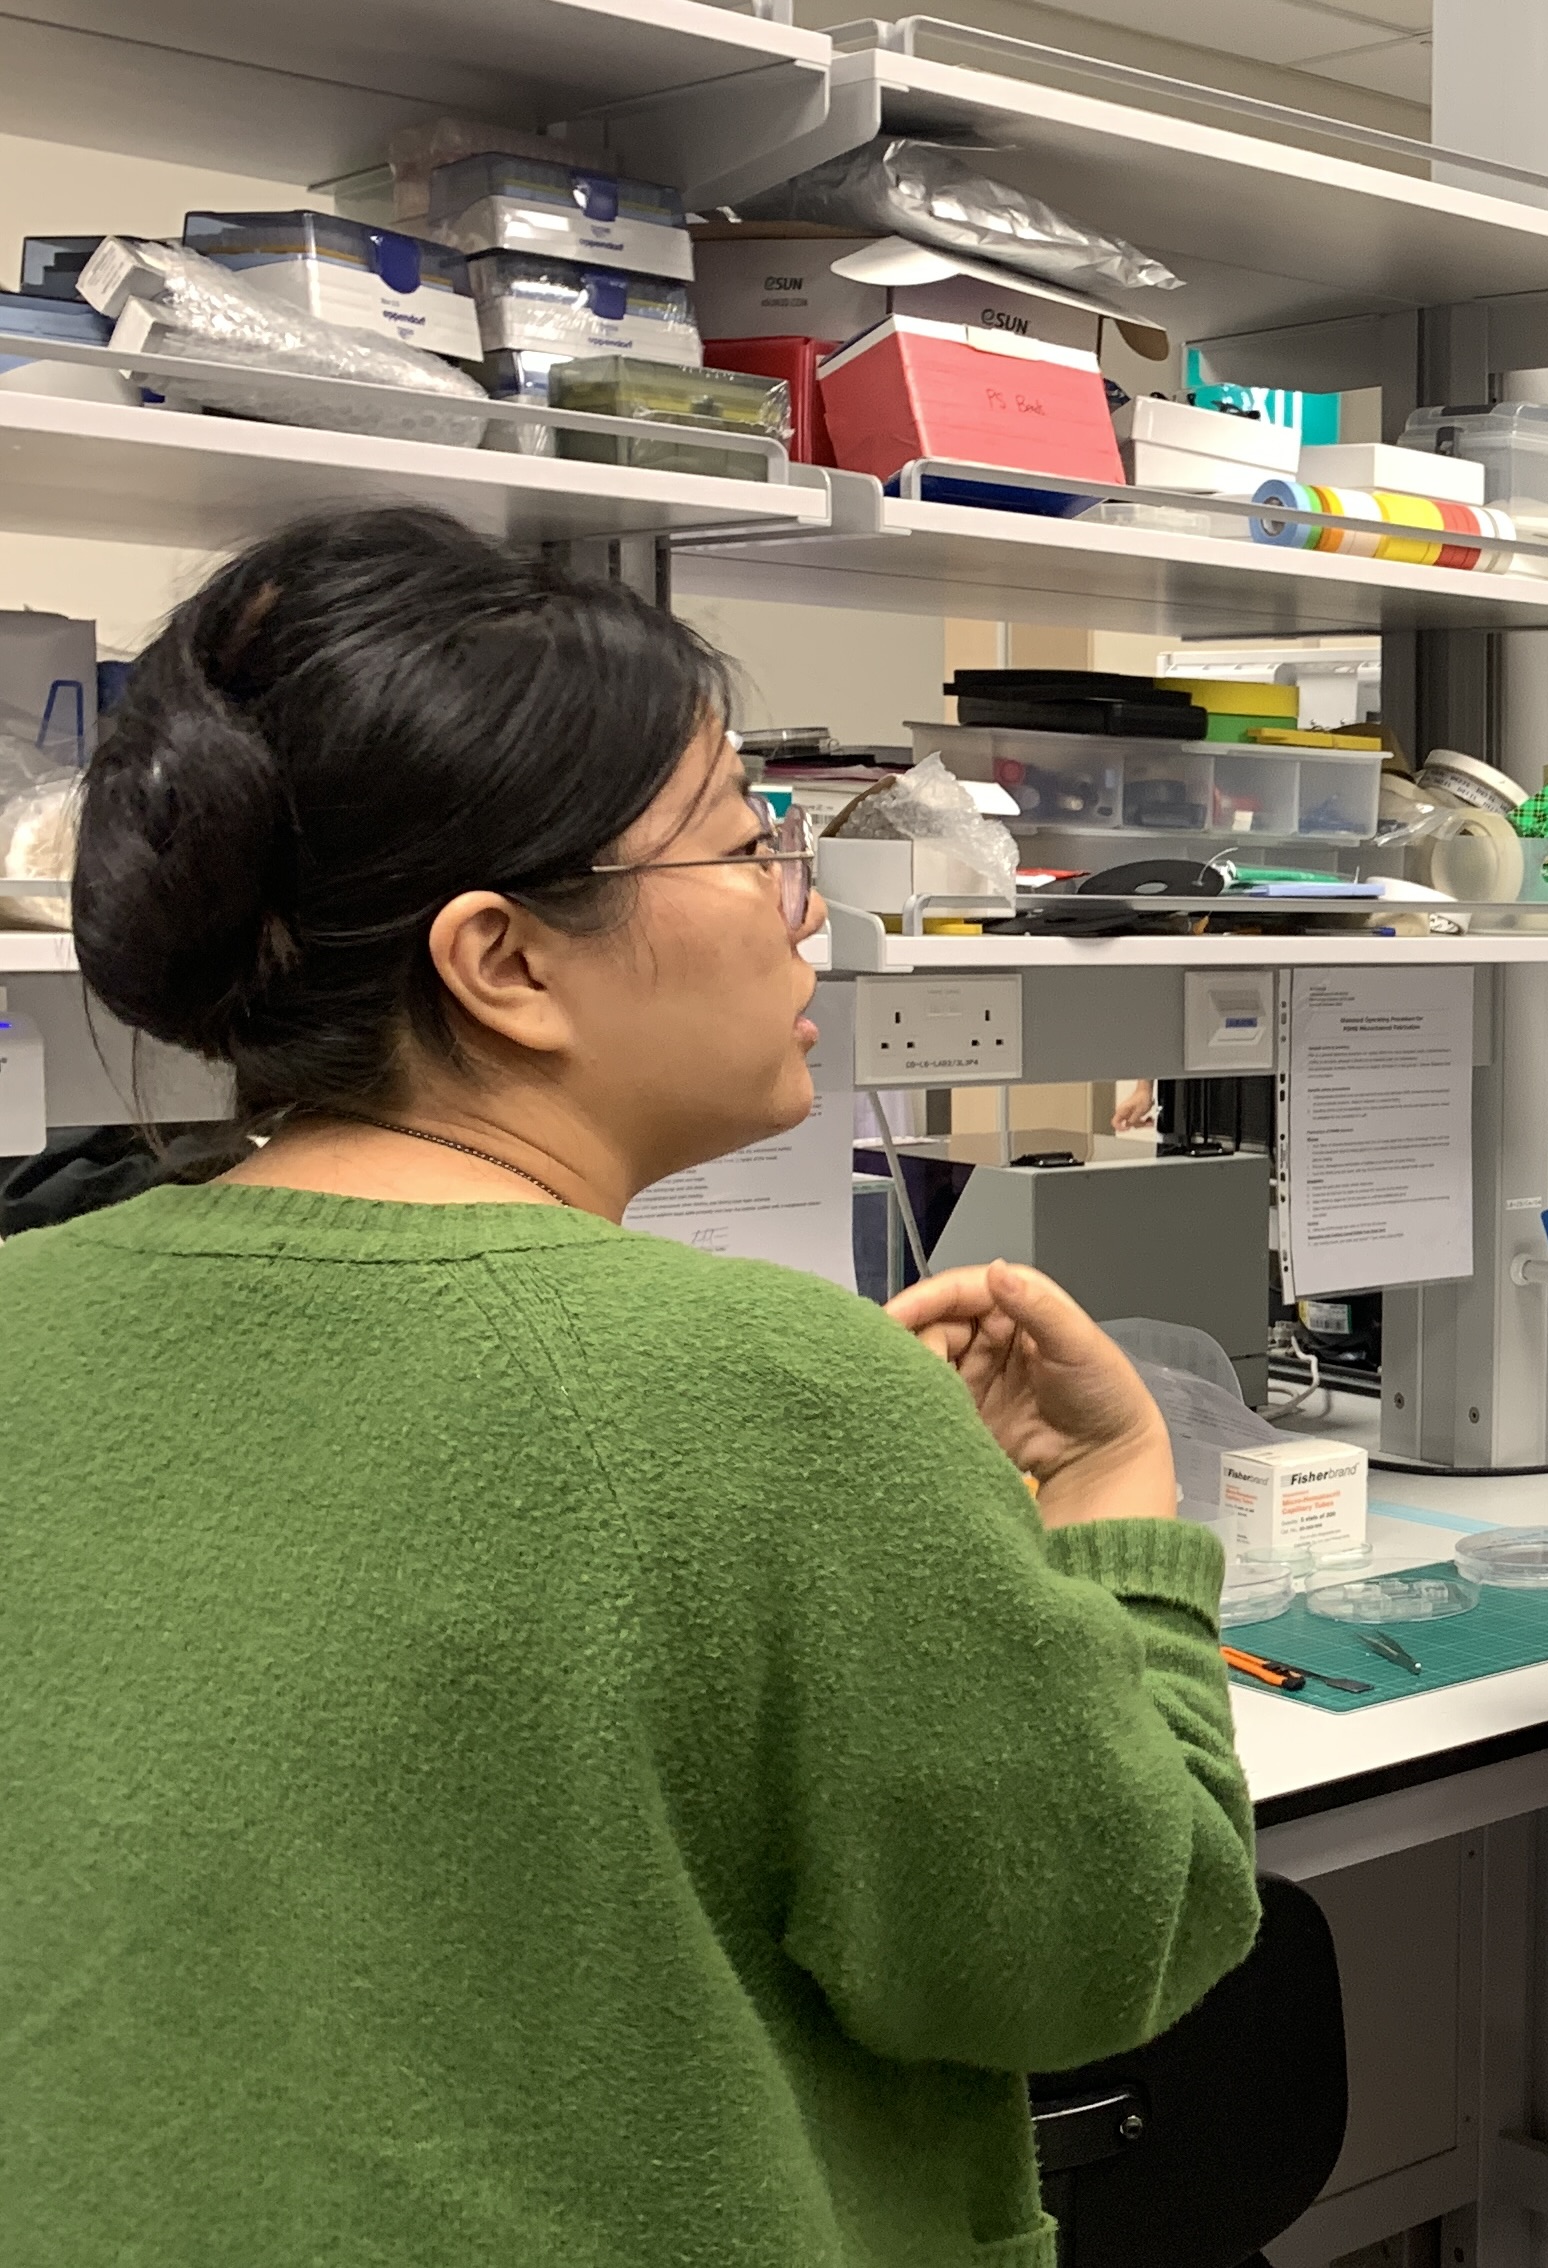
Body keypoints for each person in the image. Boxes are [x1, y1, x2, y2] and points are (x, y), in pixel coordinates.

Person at [0, 508, 1260, 2264]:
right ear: (505, 960)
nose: (804, 912)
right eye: (748, 845)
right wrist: (1117, 1518)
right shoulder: (782, 1394)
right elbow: (1088, 1951)